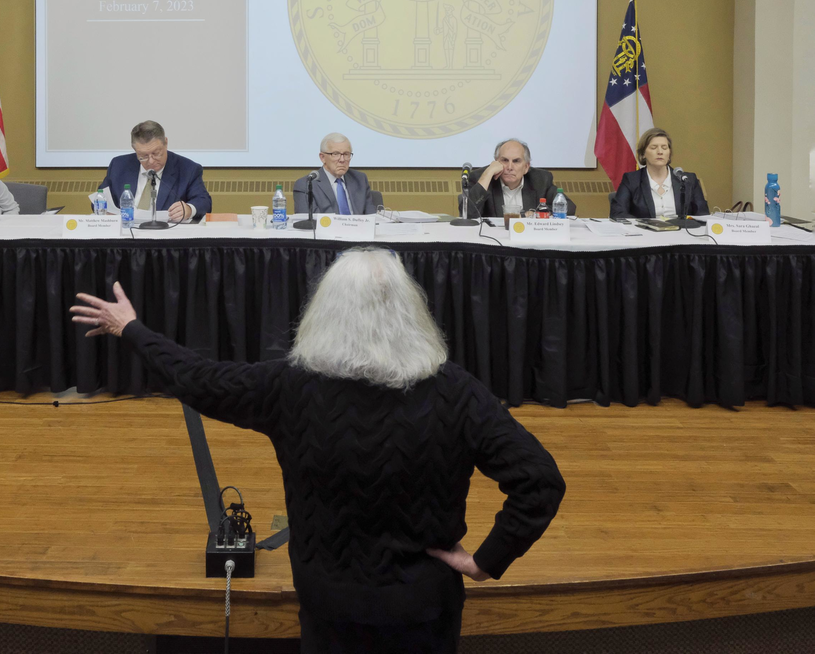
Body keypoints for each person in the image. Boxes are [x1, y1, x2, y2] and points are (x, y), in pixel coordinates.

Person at [71, 249, 565, 654]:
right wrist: (486, 560)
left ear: (324, 309)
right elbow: (539, 480)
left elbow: (197, 379)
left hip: (329, 606)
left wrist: (131, 329)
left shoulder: (292, 387)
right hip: (424, 605)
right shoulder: (456, 390)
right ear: (411, 308)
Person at [99, 120, 211, 221]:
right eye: (143, 156)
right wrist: (105, 210)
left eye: (156, 153)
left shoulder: (188, 169)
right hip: (126, 232)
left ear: (165, 143)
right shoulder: (119, 165)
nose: (151, 161)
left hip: (165, 236)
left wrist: (189, 209)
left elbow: (204, 201)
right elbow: (99, 199)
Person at [610, 128, 709, 219]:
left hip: (681, 235)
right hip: (646, 235)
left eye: (664, 148)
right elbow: (617, 213)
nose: (660, 152)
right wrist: (645, 225)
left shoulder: (688, 180)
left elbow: (703, 214)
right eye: (653, 148)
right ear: (643, 154)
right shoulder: (631, 179)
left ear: (669, 154)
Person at [465, 139, 576, 218]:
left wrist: (537, 213)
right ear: (496, 163)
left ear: (526, 167)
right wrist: (488, 173)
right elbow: (468, 214)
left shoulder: (541, 180)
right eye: (504, 160)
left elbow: (569, 207)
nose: (509, 167)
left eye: (516, 161)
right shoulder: (483, 179)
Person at [293, 133, 379, 215]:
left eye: (346, 154)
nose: (342, 160)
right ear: (322, 157)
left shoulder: (360, 179)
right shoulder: (306, 184)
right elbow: (308, 222)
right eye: (335, 154)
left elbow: (371, 217)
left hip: (359, 229)